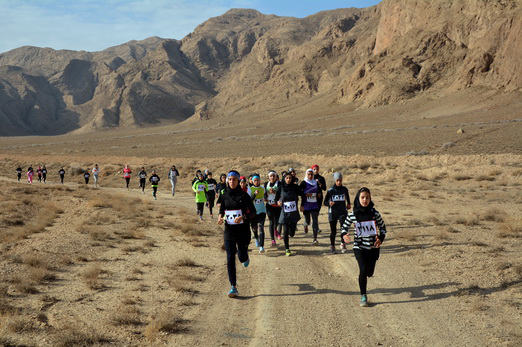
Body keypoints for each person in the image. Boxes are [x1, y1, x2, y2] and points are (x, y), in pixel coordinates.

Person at [341, 187, 387, 307]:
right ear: (358, 198)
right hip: (359, 247)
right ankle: (363, 296)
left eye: (367, 197)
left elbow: (383, 228)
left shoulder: (374, 214)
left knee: (369, 272)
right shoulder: (353, 215)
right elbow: (344, 228)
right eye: (362, 197)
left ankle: (367, 275)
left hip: (373, 248)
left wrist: (380, 239)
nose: (365, 200)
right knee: (362, 269)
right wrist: (344, 235)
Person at [217, 170, 257, 298]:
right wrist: (220, 217)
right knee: (230, 257)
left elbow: (253, 212)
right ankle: (233, 286)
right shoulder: (224, 195)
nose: (231, 182)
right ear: (227, 181)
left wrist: (243, 217)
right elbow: (222, 209)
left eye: (234, 179)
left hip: (243, 231)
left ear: (238, 181)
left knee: (241, 257)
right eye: (229, 179)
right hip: (229, 231)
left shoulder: (244, 196)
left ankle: (245, 257)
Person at [276, 172, 303, 256]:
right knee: (285, 232)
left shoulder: (295, 187)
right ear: (284, 178)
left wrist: (302, 204)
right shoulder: (280, 187)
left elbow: (302, 194)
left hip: (293, 213)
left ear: (292, 179)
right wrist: (278, 202)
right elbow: (276, 198)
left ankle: (292, 231)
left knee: (291, 233)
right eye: (287, 178)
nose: (288, 180)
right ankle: (287, 249)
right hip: (284, 212)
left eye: (290, 178)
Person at [324, 172, 351, 253]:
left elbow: (348, 200)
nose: (339, 182)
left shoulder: (344, 189)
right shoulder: (330, 191)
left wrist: (348, 204)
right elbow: (324, 202)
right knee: (333, 231)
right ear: (335, 181)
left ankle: (343, 244)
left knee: (343, 229)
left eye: (340, 180)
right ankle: (332, 245)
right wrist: (329, 203)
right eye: (337, 180)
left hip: (342, 212)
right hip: (333, 213)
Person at [299, 169, 320, 245]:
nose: (310, 176)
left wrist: (318, 194)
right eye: (309, 174)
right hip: (306, 205)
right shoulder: (304, 183)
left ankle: (315, 239)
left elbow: (319, 190)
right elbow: (299, 192)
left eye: (311, 174)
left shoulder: (315, 183)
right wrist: (305, 195)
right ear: (306, 175)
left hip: (314, 205)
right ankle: (305, 224)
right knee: (308, 221)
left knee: (315, 222)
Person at [250, 174, 267, 253]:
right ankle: (256, 238)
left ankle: (261, 246)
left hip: (262, 211)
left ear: (259, 181)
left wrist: (266, 198)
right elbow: (249, 201)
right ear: (252, 181)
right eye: (255, 181)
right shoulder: (250, 189)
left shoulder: (263, 188)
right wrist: (254, 194)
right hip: (253, 213)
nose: (256, 182)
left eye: (257, 180)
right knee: (254, 229)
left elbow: (266, 196)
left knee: (261, 228)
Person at [265, 170, 282, 246]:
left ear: (276, 177)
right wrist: (265, 198)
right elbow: (264, 193)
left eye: (273, 176)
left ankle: (275, 229)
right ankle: (272, 239)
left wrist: (275, 191)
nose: (272, 177)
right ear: (268, 177)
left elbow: (282, 192)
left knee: (277, 221)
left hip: (278, 206)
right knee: (271, 221)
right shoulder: (266, 184)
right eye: (270, 176)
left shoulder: (279, 184)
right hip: (269, 205)